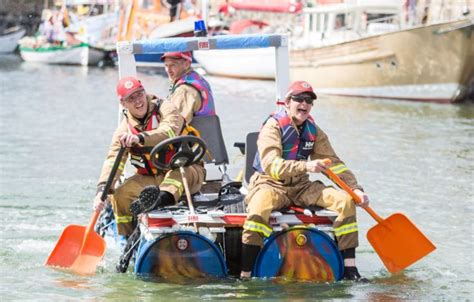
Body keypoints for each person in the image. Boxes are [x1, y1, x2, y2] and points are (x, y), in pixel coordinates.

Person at [240, 81, 370, 282]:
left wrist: (355, 189)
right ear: (287, 102)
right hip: (270, 183)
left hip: (301, 186)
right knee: (258, 209)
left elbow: (334, 164)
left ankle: (350, 271)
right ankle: (246, 274)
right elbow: (272, 166)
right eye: (299, 99)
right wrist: (306, 166)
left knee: (345, 201)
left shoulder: (314, 130)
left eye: (309, 100)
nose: (304, 104)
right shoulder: (272, 126)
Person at [93, 76, 205, 237]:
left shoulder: (165, 108)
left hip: (186, 171)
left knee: (179, 174)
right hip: (152, 179)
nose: (138, 101)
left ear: (145, 92)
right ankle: (127, 239)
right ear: (123, 104)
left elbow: (169, 131)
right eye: (131, 98)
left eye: (139, 94)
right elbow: (113, 160)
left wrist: (140, 138)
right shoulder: (123, 131)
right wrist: (101, 190)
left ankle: (156, 201)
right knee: (120, 195)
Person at [161, 51, 216, 123]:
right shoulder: (199, 80)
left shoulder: (184, 90)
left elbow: (174, 125)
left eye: (173, 65)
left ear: (186, 64)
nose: (168, 70)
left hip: (194, 133)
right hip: (209, 132)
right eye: (166, 65)